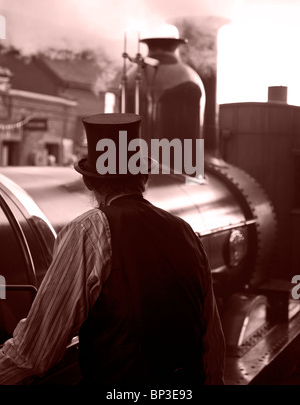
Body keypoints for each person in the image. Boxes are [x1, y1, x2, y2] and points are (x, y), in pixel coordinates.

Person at [0, 113, 225, 387]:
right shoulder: (185, 231)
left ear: (90, 182)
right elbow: (211, 339)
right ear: (144, 177)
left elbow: (35, 352)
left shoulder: (88, 230)